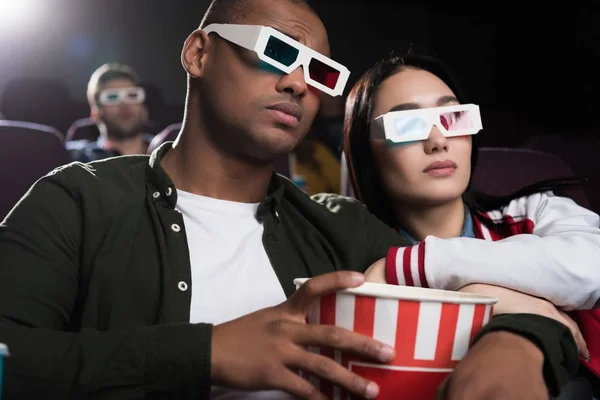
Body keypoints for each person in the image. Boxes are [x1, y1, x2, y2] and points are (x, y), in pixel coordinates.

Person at [0, 1, 581, 399]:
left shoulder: (342, 228)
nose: (299, 84)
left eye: (320, 73)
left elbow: (519, 308)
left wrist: (513, 346)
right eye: (277, 53)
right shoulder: (76, 202)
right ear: (199, 53)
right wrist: (203, 354)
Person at [343, 51, 600, 397]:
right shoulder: (350, 244)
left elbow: (591, 269)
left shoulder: (532, 212)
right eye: (406, 125)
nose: (438, 141)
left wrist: (424, 268)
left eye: (453, 117)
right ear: (365, 153)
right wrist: (490, 298)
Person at [66, 63, 153, 162]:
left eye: (132, 95)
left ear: (144, 109)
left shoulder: (168, 152)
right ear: (95, 114)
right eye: (112, 97)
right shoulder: (78, 160)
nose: (124, 105)